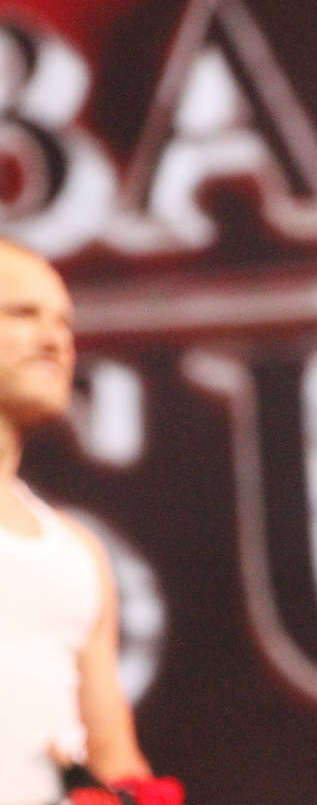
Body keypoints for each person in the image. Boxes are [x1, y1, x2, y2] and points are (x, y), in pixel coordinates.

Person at [0, 242, 172, 804]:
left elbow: (115, 760)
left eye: (64, 324)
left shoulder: (76, 554)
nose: (54, 340)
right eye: (22, 314)